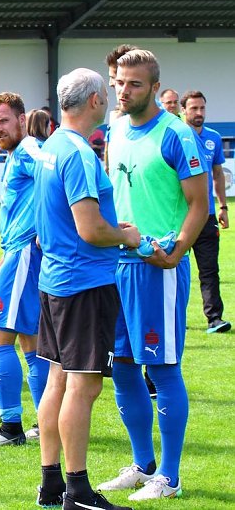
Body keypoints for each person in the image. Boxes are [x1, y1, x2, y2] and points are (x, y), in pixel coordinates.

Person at [99, 50, 208, 502]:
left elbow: (199, 203)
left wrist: (176, 252)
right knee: (123, 368)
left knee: (162, 369)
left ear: (155, 87)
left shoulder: (176, 134)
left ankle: (170, 476)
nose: (123, 91)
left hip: (156, 269)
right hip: (117, 265)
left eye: (135, 84)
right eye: (119, 83)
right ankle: (142, 464)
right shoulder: (115, 129)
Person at [34, 67, 140, 510]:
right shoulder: (78, 152)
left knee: (57, 380)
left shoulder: (52, 146)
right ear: (95, 100)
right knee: (84, 386)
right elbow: (91, 229)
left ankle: (51, 483)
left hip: (56, 280)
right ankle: (77, 491)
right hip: (83, 283)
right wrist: (126, 236)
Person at [0, 92, 49, 448]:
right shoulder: (18, 153)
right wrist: (1, 263)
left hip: (25, 255)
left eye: (3, 120)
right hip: (17, 255)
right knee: (32, 343)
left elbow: (53, 175)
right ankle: (45, 423)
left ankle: (11, 428)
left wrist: (45, 230)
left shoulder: (29, 148)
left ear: (21, 119)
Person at [180, 90, 230, 334]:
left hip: (207, 215)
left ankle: (214, 319)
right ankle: (174, 317)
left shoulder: (214, 138)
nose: (199, 113)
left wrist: (223, 207)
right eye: (194, 108)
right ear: (183, 111)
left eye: (202, 108)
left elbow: (218, 173)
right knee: (173, 269)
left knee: (209, 269)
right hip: (179, 216)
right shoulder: (176, 137)